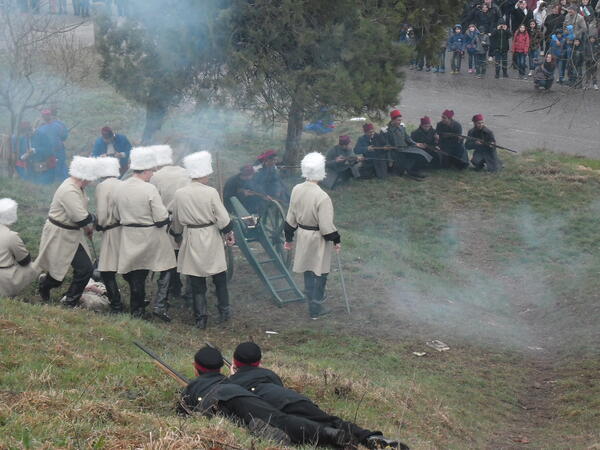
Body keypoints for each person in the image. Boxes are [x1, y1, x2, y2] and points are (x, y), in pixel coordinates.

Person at [228, 342, 406, 450]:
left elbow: (236, 396)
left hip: (273, 406)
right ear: (259, 362)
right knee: (330, 419)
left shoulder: (232, 382)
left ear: (235, 361)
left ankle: (333, 437)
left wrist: (233, 377)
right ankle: (370, 438)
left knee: (304, 427)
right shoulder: (267, 373)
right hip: (293, 397)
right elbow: (276, 385)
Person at [179, 346, 352, 448]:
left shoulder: (191, 387)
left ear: (196, 368)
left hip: (216, 402)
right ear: (220, 368)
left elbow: (184, 414)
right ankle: (328, 433)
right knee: (281, 419)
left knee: (234, 420)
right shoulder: (230, 382)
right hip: (240, 395)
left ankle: (256, 428)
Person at [170, 151, 235, 329]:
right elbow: (223, 218)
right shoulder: (211, 192)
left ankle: (201, 317)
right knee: (219, 277)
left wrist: (177, 234)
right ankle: (224, 311)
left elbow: (175, 221)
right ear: (203, 173)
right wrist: (229, 233)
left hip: (191, 237)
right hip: (211, 236)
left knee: (197, 281)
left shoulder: (180, 193)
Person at [114, 147, 176, 319]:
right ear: (146, 170)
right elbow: (161, 217)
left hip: (128, 234)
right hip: (150, 236)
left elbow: (116, 215)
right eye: (151, 171)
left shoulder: (120, 187)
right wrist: (168, 217)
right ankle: (158, 306)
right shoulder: (149, 189)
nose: (153, 174)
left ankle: (138, 309)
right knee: (168, 265)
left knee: (136, 273)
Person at [36, 156, 97, 306]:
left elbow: (79, 213)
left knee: (85, 269)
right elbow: (81, 217)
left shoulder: (79, 188)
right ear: (84, 176)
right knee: (57, 277)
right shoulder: (69, 190)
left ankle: (70, 302)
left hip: (73, 233)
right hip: (59, 234)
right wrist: (95, 219)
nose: (91, 181)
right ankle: (45, 284)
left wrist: (86, 229)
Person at [284, 152, 339, 319]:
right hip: (317, 238)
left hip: (302, 234)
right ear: (321, 172)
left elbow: (290, 218)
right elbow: (326, 227)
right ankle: (316, 307)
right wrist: (336, 239)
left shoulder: (296, 189)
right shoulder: (322, 196)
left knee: (308, 269)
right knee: (320, 271)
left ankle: (311, 303)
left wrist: (288, 238)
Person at [149, 145, 190, 304]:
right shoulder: (185, 173)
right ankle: (188, 291)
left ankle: (174, 287)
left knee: (170, 257)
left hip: (166, 220)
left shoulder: (156, 177)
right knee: (187, 255)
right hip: (186, 219)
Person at [94, 157, 123, 313]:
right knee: (127, 267)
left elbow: (102, 213)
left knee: (107, 270)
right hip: (125, 230)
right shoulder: (123, 184)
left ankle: (116, 304)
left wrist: (99, 224)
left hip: (111, 230)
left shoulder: (102, 186)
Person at [0, 199, 39, 298]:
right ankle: (9, 292)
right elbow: (24, 261)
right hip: (3, 279)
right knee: (35, 266)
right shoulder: (11, 236)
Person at [384, 110, 431, 180]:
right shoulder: (387, 131)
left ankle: (413, 171)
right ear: (392, 120)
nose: (399, 122)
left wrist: (416, 144)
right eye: (398, 120)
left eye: (400, 120)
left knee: (421, 153)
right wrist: (390, 159)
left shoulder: (402, 127)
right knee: (403, 159)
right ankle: (409, 174)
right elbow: (387, 145)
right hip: (396, 152)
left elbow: (407, 138)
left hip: (405, 148)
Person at [36, 109, 68, 181]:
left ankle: (63, 181)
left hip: (58, 151)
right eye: (45, 115)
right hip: (50, 152)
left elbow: (64, 136)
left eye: (47, 115)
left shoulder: (58, 125)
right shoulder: (41, 128)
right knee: (52, 166)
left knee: (60, 166)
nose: (46, 117)